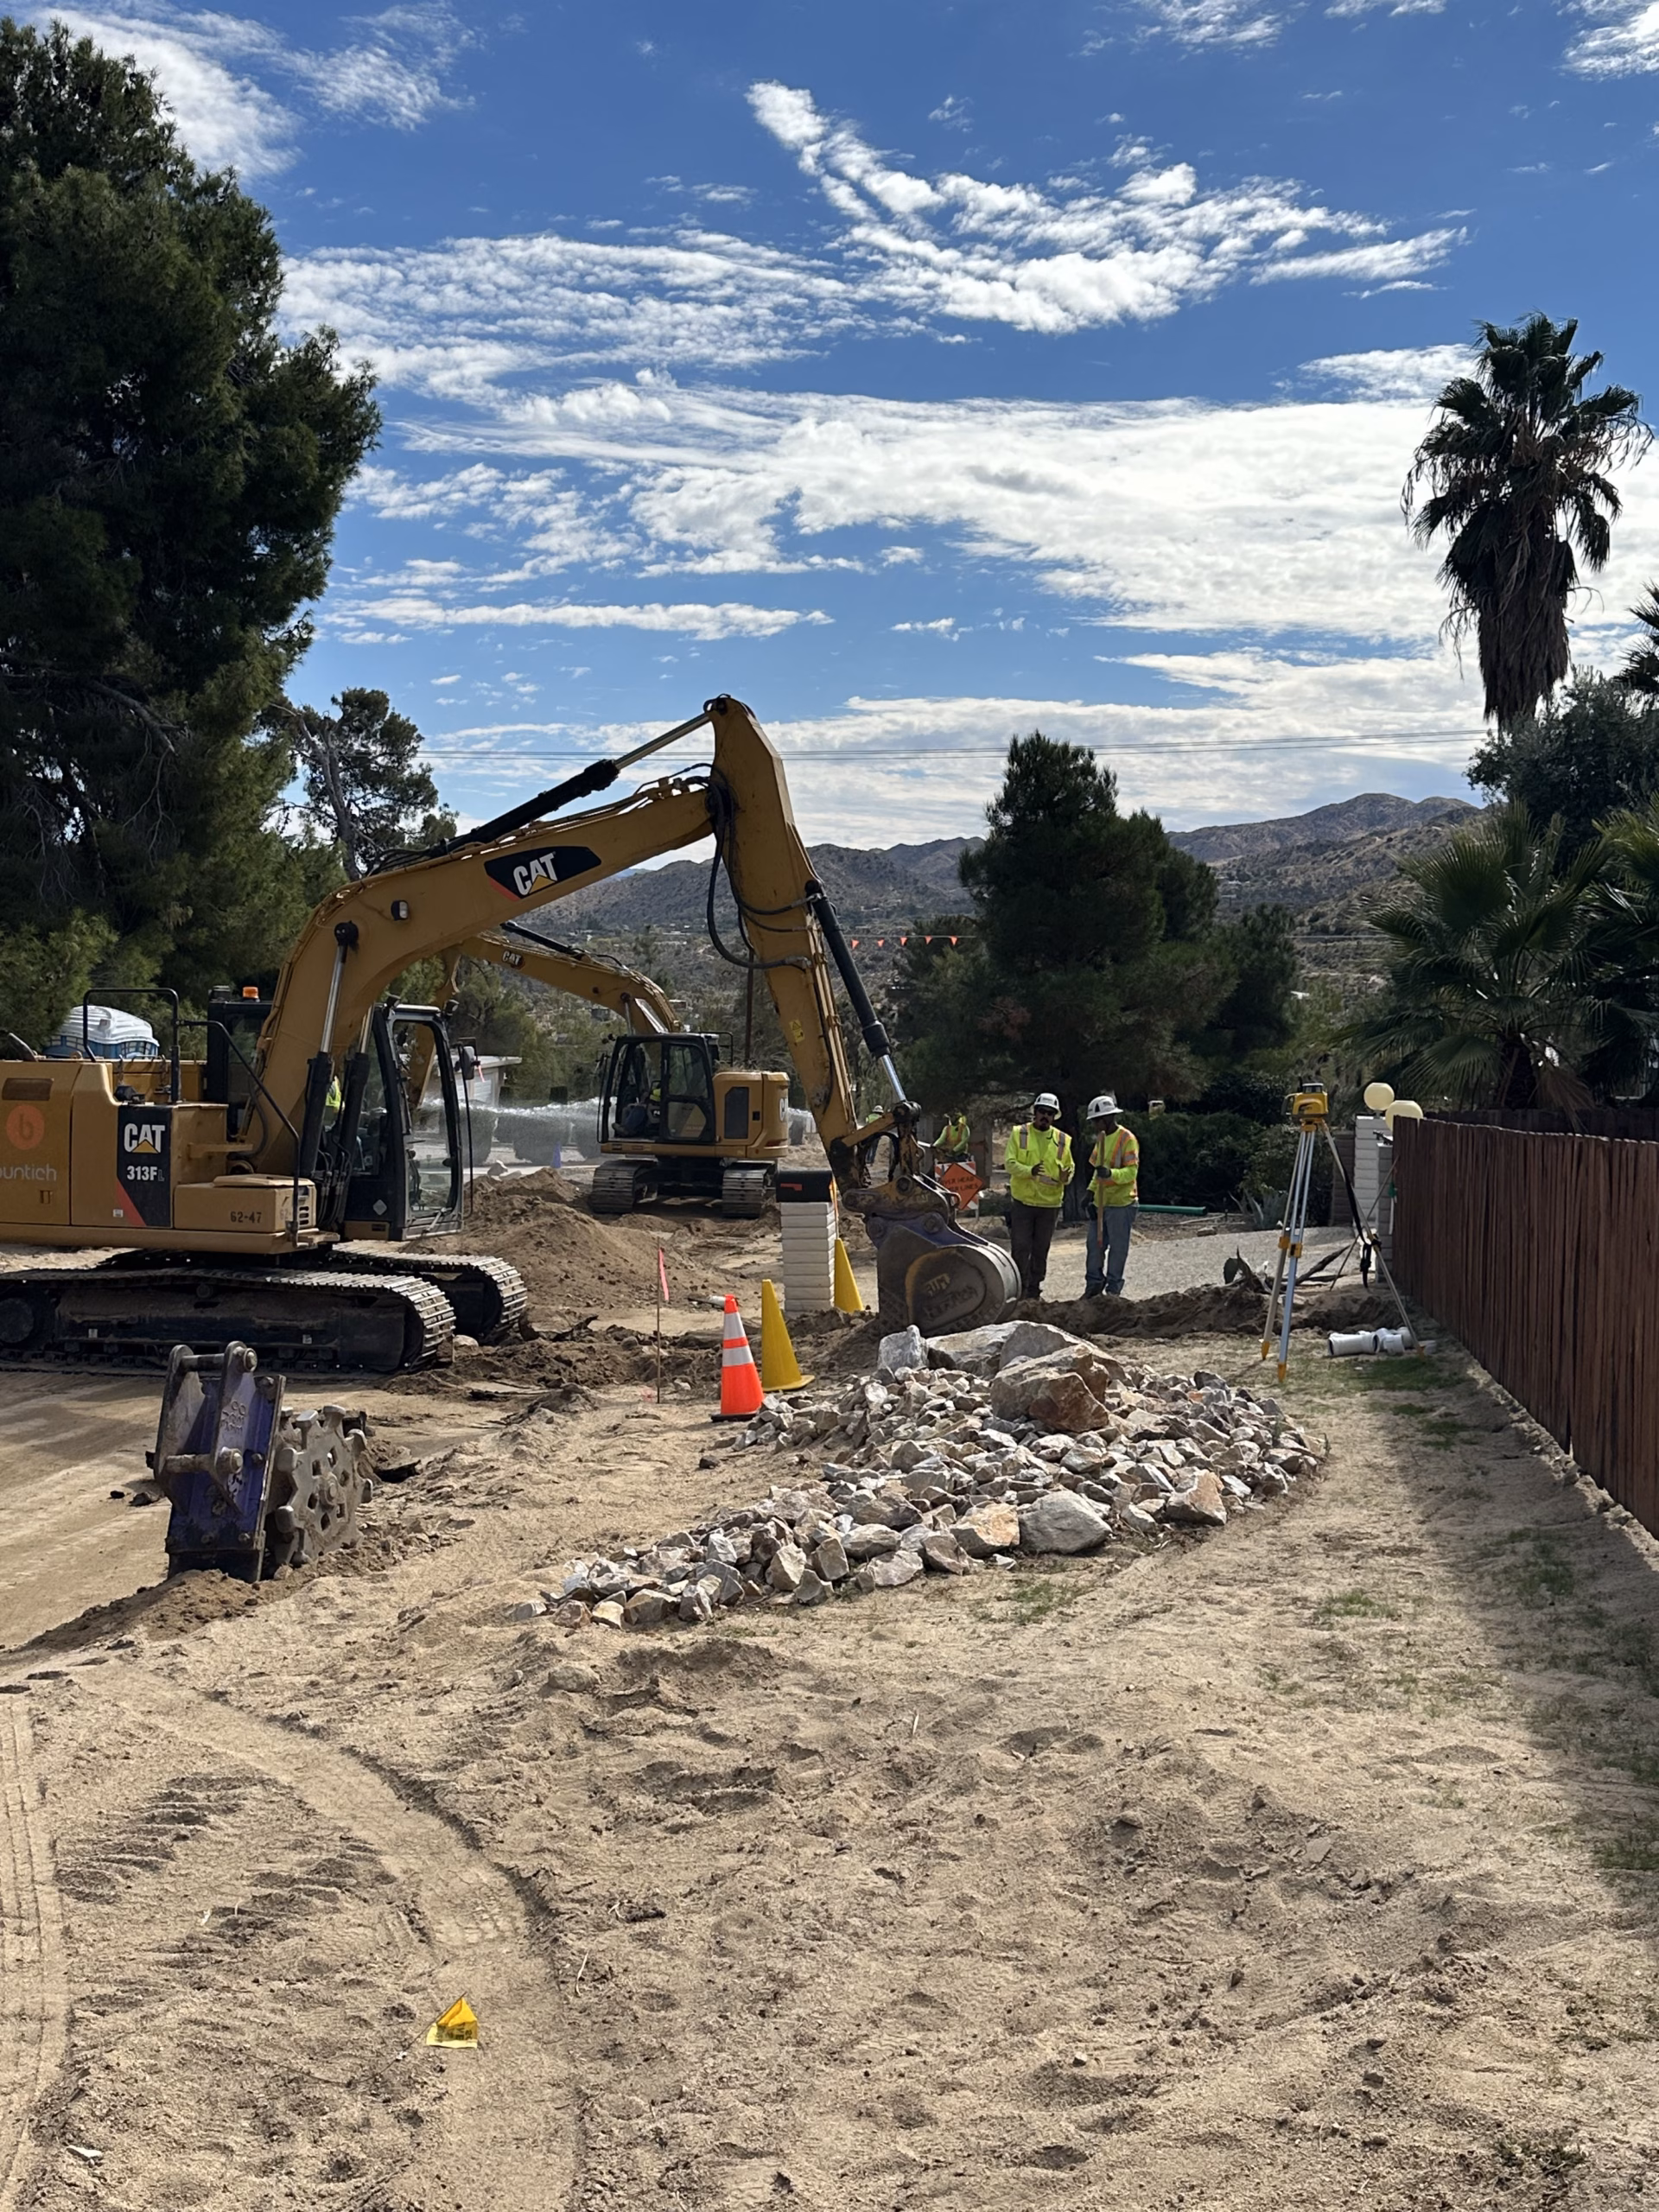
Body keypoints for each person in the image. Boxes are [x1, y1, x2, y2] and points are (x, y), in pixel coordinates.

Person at [1004, 1091, 1073, 1301]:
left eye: (1050, 1113)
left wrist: (1065, 1177)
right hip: (1024, 1202)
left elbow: (1069, 1169)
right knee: (1021, 1247)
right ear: (1035, 1113)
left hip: (1049, 1204)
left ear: (1054, 1117)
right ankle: (1019, 1289)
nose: (1046, 1116)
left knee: (1041, 1249)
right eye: (1042, 1112)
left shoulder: (1063, 1140)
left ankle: (1034, 1290)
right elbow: (1009, 1163)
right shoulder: (1019, 1134)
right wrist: (1030, 1171)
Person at [1084, 1091, 1139, 1298]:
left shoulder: (1127, 1139)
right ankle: (1094, 1286)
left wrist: (1112, 1174)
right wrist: (1090, 1192)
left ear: (1107, 1119)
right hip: (1101, 1203)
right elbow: (1097, 1171)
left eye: (1096, 1122)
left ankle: (1113, 1289)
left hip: (1121, 1204)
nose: (1094, 1126)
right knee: (1095, 1246)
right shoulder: (1101, 1139)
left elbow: (1131, 1172)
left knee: (1117, 1249)